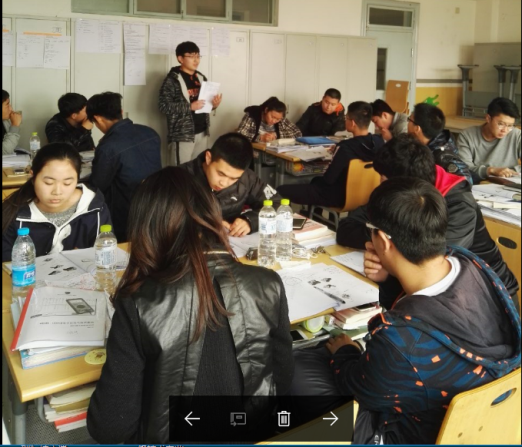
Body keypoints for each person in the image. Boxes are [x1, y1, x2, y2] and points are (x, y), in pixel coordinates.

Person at [292, 177, 521, 444]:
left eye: (371, 230)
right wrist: (390, 278)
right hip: (490, 420)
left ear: (384, 240)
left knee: (297, 365)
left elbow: (359, 387)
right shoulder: (472, 263)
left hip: (415, 433)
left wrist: (346, 352)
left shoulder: (401, 341)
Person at [86, 167, 293, 444]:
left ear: (146, 228)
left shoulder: (138, 302)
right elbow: (282, 379)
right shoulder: (268, 283)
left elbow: (109, 428)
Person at [336, 134, 519, 306]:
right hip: (441, 297)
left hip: (490, 297)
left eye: (384, 180)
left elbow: (428, 267)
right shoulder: (405, 193)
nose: (379, 185)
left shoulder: (459, 206)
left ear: (404, 187)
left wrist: (388, 256)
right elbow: (346, 228)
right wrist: (379, 240)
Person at [2, 143, 111, 262]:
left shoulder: (94, 208)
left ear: (77, 180)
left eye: (67, 183)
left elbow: (105, 255)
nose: (57, 192)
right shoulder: (12, 213)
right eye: (48, 183)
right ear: (33, 177)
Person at [277, 101, 384, 208]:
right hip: (366, 196)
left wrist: (338, 152)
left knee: (281, 190)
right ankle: (314, 215)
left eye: (346, 118)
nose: (345, 120)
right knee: (315, 181)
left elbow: (328, 179)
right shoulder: (379, 142)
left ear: (352, 123)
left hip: (337, 197)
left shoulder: (345, 147)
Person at [87, 92, 162, 242]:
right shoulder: (150, 132)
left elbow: (98, 185)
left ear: (98, 118)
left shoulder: (109, 146)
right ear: (121, 111)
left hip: (126, 214)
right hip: (156, 204)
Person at [180, 133, 280, 237]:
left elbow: (279, 205)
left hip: (231, 242)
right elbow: (170, 220)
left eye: (233, 178)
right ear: (208, 158)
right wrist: (207, 224)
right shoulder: (179, 178)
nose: (223, 183)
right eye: (220, 174)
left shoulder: (247, 178)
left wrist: (250, 221)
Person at [159, 41, 222, 166]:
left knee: (198, 169)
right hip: (183, 135)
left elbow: (204, 104)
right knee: (181, 172)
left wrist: (214, 105)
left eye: (198, 56)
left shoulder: (201, 77)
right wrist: (190, 107)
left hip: (202, 132)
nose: (196, 60)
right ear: (180, 59)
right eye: (191, 56)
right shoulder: (172, 80)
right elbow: (163, 106)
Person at [458, 97, 521, 183]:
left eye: (510, 125)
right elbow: (463, 169)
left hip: (509, 183)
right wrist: (491, 170)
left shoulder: (516, 135)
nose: (505, 130)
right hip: (479, 184)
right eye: (501, 124)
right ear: (488, 118)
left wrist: (511, 171)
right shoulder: (467, 135)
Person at [408, 102, 473, 184]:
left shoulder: (442, 157)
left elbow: (466, 183)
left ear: (417, 128)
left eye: (409, 120)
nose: (407, 124)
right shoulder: (427, 143)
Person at [237, 97, 302, 143]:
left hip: (275, 151)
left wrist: (276, 135)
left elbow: (298, 133)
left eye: (278, 119)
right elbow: (240, 135)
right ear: (266, 110)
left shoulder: (281, 119)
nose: (274, 121)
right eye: (272, 117)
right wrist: (260, 138)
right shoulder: (252, 115)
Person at [2, 90, 22, 155]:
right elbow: (4, 152)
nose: (11, 109)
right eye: (7, 105)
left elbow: (12, 147)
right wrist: (15, 126)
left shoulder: (5, 121)